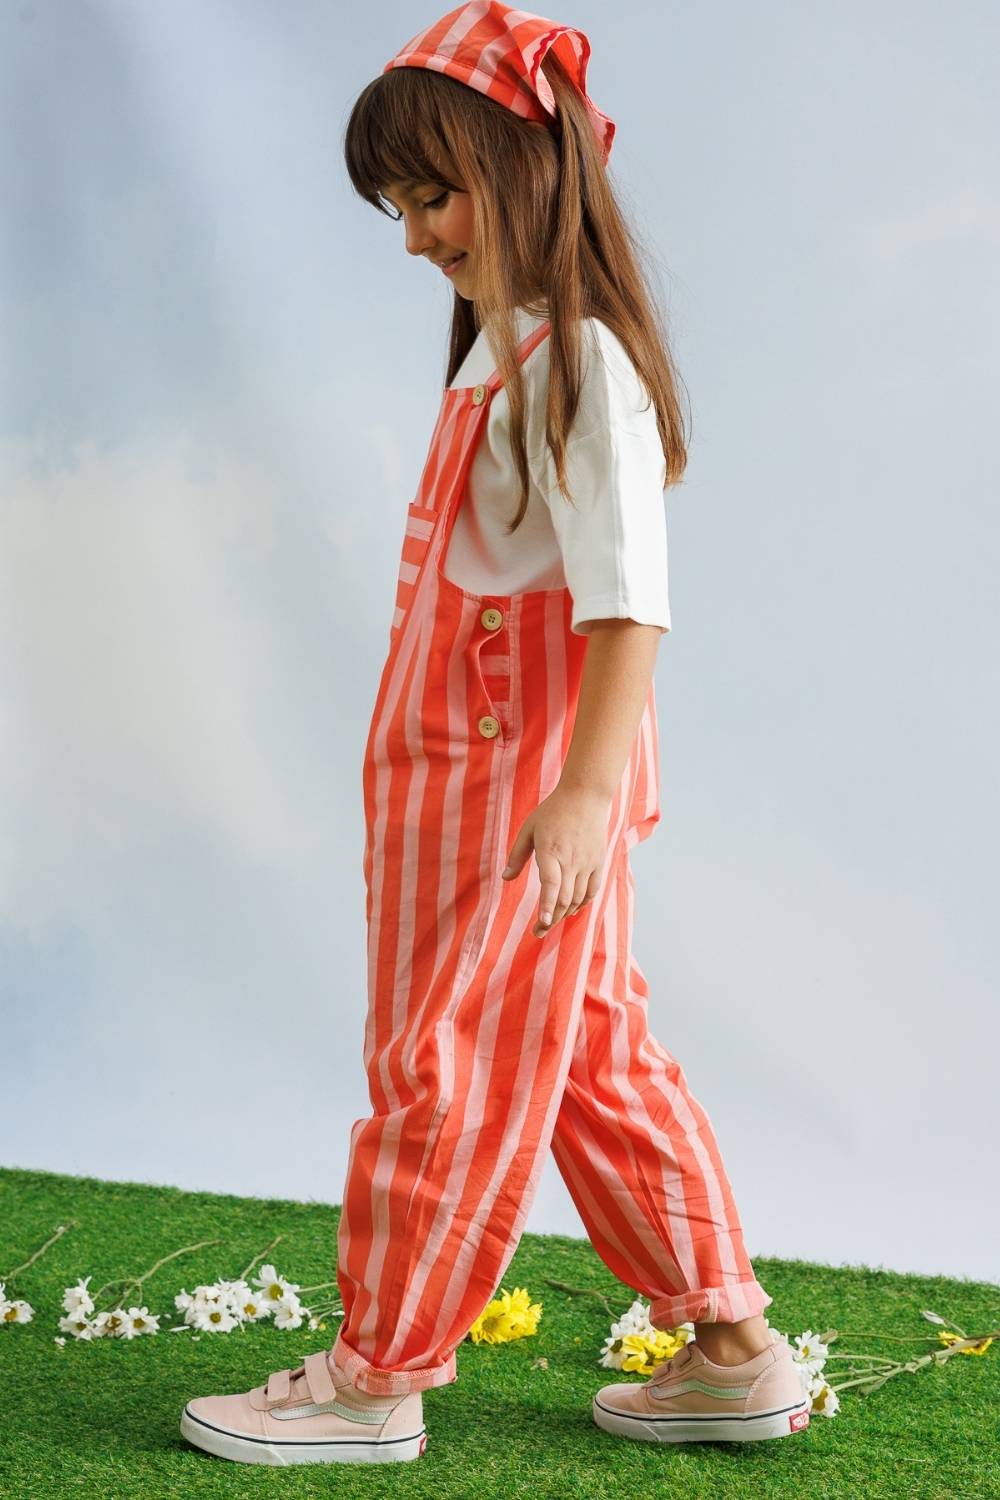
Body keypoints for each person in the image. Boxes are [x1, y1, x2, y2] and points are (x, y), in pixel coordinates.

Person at [180, 2, 808, 1466]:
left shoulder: (581, 368)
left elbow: (628, 604)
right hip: (470, 784)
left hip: (508, 797)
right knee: (588, 1051)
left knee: (441, 1060)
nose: (415, 238)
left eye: (434, 197)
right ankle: (733, 1351)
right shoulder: (510, 356)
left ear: (526, 171)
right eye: (398, 209)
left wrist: (582, 793)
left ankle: (376, 1378)